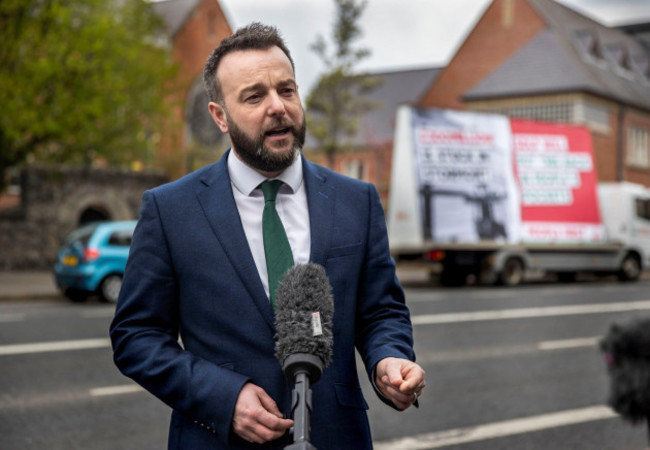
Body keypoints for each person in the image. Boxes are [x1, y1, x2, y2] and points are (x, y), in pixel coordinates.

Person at [110, 22, 425, 449]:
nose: (278, 106)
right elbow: (136, 336)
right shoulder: (170, 210)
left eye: (287, 90)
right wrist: (224, 397)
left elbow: (380, 311)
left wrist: (388, 357)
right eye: (255, 96)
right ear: (220, 116)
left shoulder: (357, 200)